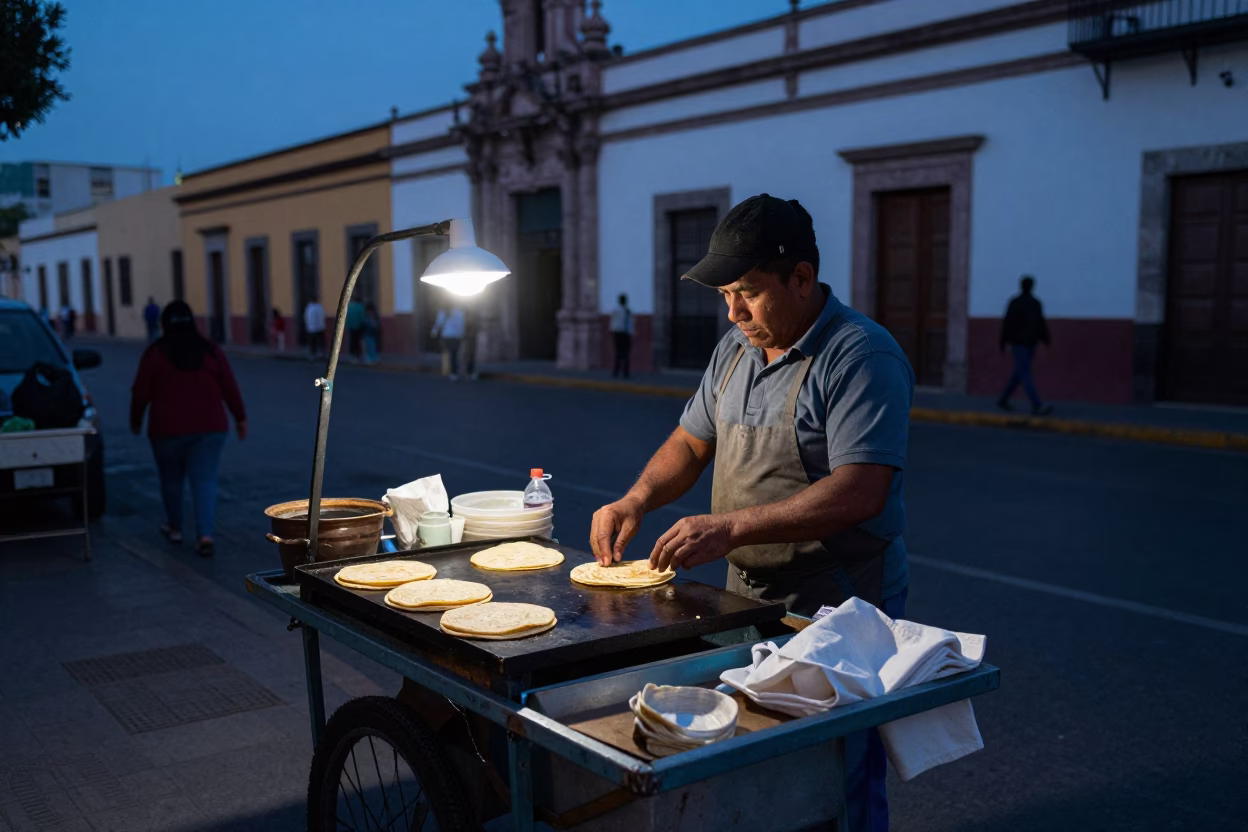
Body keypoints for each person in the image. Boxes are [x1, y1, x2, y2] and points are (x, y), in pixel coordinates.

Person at [590, 194, 914, 832]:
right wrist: (637, 498)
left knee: (839, 777)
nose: (734, 312)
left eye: (749, 293)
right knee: (764, 772)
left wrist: (731, 527)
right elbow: (690, 442)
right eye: (725, 296)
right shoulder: (735, 351)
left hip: (840, 604)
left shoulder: (860, 356)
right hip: (748, 598)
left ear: (802, 278)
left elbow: (861, 488)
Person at [129, 301, 247, 558]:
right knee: (204, 480)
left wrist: (135, 420)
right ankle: (205, 535)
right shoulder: (210, 352)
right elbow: (229, 386)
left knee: (171, 481)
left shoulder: (155, 354)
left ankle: (175, 529)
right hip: (209, 428)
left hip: (166, 430)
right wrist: (240, 418)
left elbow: (140, 392)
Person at [997, 275, 1053, 415]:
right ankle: (1036, 404)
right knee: (1025, 373)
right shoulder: (1036, 303)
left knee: (1020, 372)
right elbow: (1041, 323)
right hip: (1029, 343)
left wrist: (1003, 341)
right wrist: (1046, 339)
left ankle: (1003, 399)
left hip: (1018, 344)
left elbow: (1007, 323)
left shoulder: (1015, 302)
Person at [432, 304, 466, 380]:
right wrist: (462, 334)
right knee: (455, 354)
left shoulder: (443, 312)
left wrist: (434, 332)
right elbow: (462, 324)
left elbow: (438, 323)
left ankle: (449, 371)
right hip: (457, 336)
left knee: (448, 353)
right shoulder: (459, 312)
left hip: (447, 335)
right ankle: (454, 372)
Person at [610, 293, 634, 378]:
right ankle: (625, 372)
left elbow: (613, 322)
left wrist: (612, 331)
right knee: (625, 354)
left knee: (619, 353)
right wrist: (631, 333)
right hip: (625, 334)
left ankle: (617, 371)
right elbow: (630, 324)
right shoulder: (627, 310)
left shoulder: (616, 310)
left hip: (618, 333)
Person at [346, 296, 367, 363]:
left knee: (352, 341)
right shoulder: (360, 307)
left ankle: (353, 356)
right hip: (359, 327)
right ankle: (358, 355)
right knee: (358, 342)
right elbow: (362, 317)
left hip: (351, 326)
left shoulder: (350, 307)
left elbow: (347, 316)